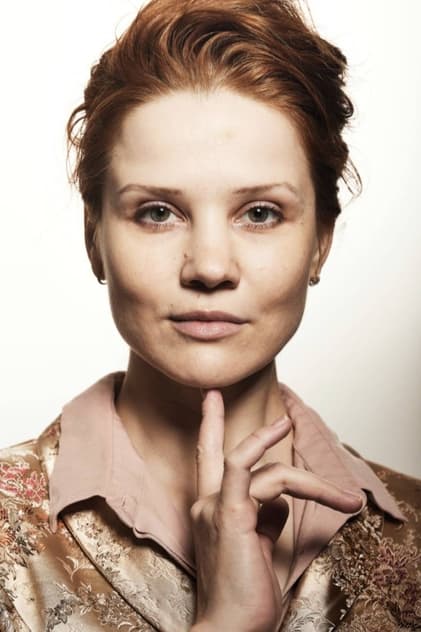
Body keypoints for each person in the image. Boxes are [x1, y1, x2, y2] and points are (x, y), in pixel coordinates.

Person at [0, 0, 420, 630]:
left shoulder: (413, 541)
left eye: (260, 213)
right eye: (157, 213)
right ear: (95, 238)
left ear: (320, 242)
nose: (210, 266)